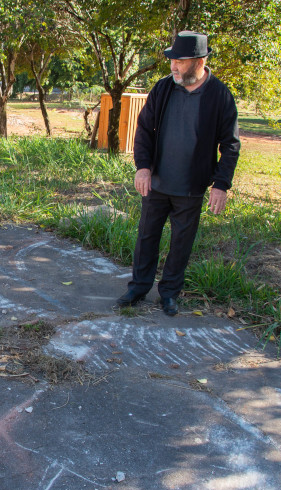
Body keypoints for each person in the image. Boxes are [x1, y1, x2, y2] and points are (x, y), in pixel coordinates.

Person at [116, 31, 240, 316]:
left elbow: (230, 145)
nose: (172, 66)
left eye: (180, 61)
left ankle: (169, 293)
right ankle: (138, 288)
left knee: (181, 242)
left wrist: (221, 185)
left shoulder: (219, 95)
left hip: (191, 186)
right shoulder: (163, 89)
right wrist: (143, 167)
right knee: (147, 236)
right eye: (172, 60)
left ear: (200, 61)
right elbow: (144, 129)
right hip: (157, 182)